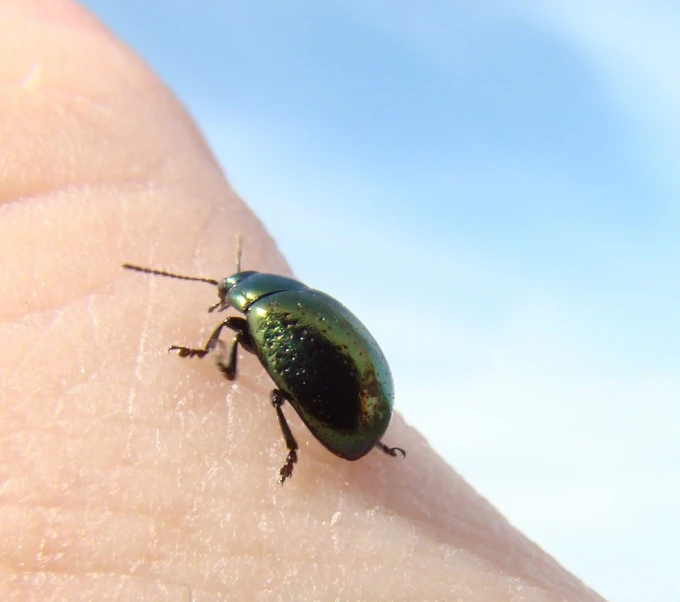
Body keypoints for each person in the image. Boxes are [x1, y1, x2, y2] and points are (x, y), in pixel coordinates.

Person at [0, 1, 605, 599]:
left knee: (272, 394)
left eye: (228, 294)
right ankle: (358, 435)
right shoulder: (294, 298)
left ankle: (295, 448)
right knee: (271, 381)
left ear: (242, 296)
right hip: (367, 400)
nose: (226, 302)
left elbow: (276, 348)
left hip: (354, 407)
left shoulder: (260, 314)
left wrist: (209, 352)